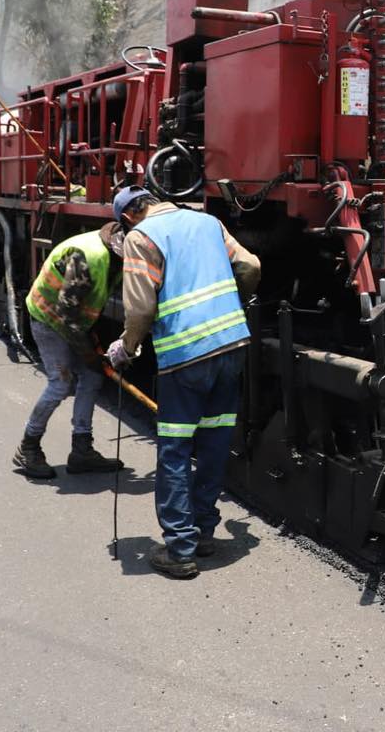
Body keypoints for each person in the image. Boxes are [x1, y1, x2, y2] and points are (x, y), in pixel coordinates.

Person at [107, 187, 261, 579]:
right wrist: (229, 304)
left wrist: (127, 347)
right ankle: (205, 532)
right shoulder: (209, 222)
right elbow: (251, 267)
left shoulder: (141, 238)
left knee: (175, 449)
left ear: (128, 217)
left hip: (186, 355)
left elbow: (140, 308)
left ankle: (180, 549)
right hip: (231, 345)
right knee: (213, 441)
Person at [12, 222, 127, 479]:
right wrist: (88, 354)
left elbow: (87, 304)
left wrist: (93, 342)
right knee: (61, 383)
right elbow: (67, 315)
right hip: (48, 316)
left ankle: (82, 450)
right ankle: (28, 446)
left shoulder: (114, 258)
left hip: (74, 320)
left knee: (93, 377)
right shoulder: (88, 257)